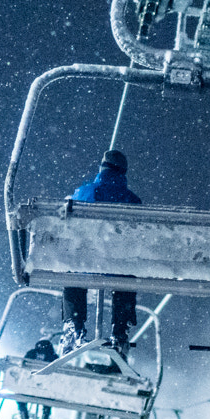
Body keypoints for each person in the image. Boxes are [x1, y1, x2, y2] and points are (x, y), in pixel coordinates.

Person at [62, 148, 142, 348]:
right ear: (123, 172)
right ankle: (120, 329)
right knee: (126, 275)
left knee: (73, 270)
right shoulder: (133, 201)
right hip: (119, 268)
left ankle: (74, 324)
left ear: (102, 168)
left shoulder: (84, 192)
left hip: (87, 261)